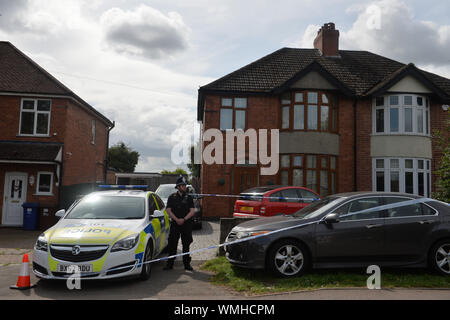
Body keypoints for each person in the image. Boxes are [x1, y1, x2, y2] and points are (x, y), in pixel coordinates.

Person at [163, 176, 195, 271]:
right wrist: (177, 219)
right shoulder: (172, 197)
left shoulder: (189, 197)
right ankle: (170, 264)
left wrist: (184, 219)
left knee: (186, 244)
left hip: (186, 224)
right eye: (183, 185)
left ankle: (187, 264)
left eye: (185, 185)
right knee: (172, 244)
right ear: (178, 187)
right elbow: (168, 210)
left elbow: (192, 211)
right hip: (175, 224)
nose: (185, 187)